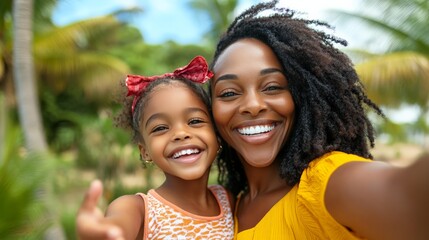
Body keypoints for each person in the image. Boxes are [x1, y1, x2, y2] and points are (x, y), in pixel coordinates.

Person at [209, 1, 429, 239]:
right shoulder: (225, 207)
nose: (252, 106)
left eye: (272, 87)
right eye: (229, 93)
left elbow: (406, 194)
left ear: (303, 95)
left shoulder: (325, 182)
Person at [76, 56, 234, 240]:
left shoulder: (227, 200)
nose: (180, 134)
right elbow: (117, 226)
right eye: (160, 128)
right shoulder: (137, 209)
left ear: (216, 135)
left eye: (195, 121)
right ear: (145, 151)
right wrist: (104, 232)